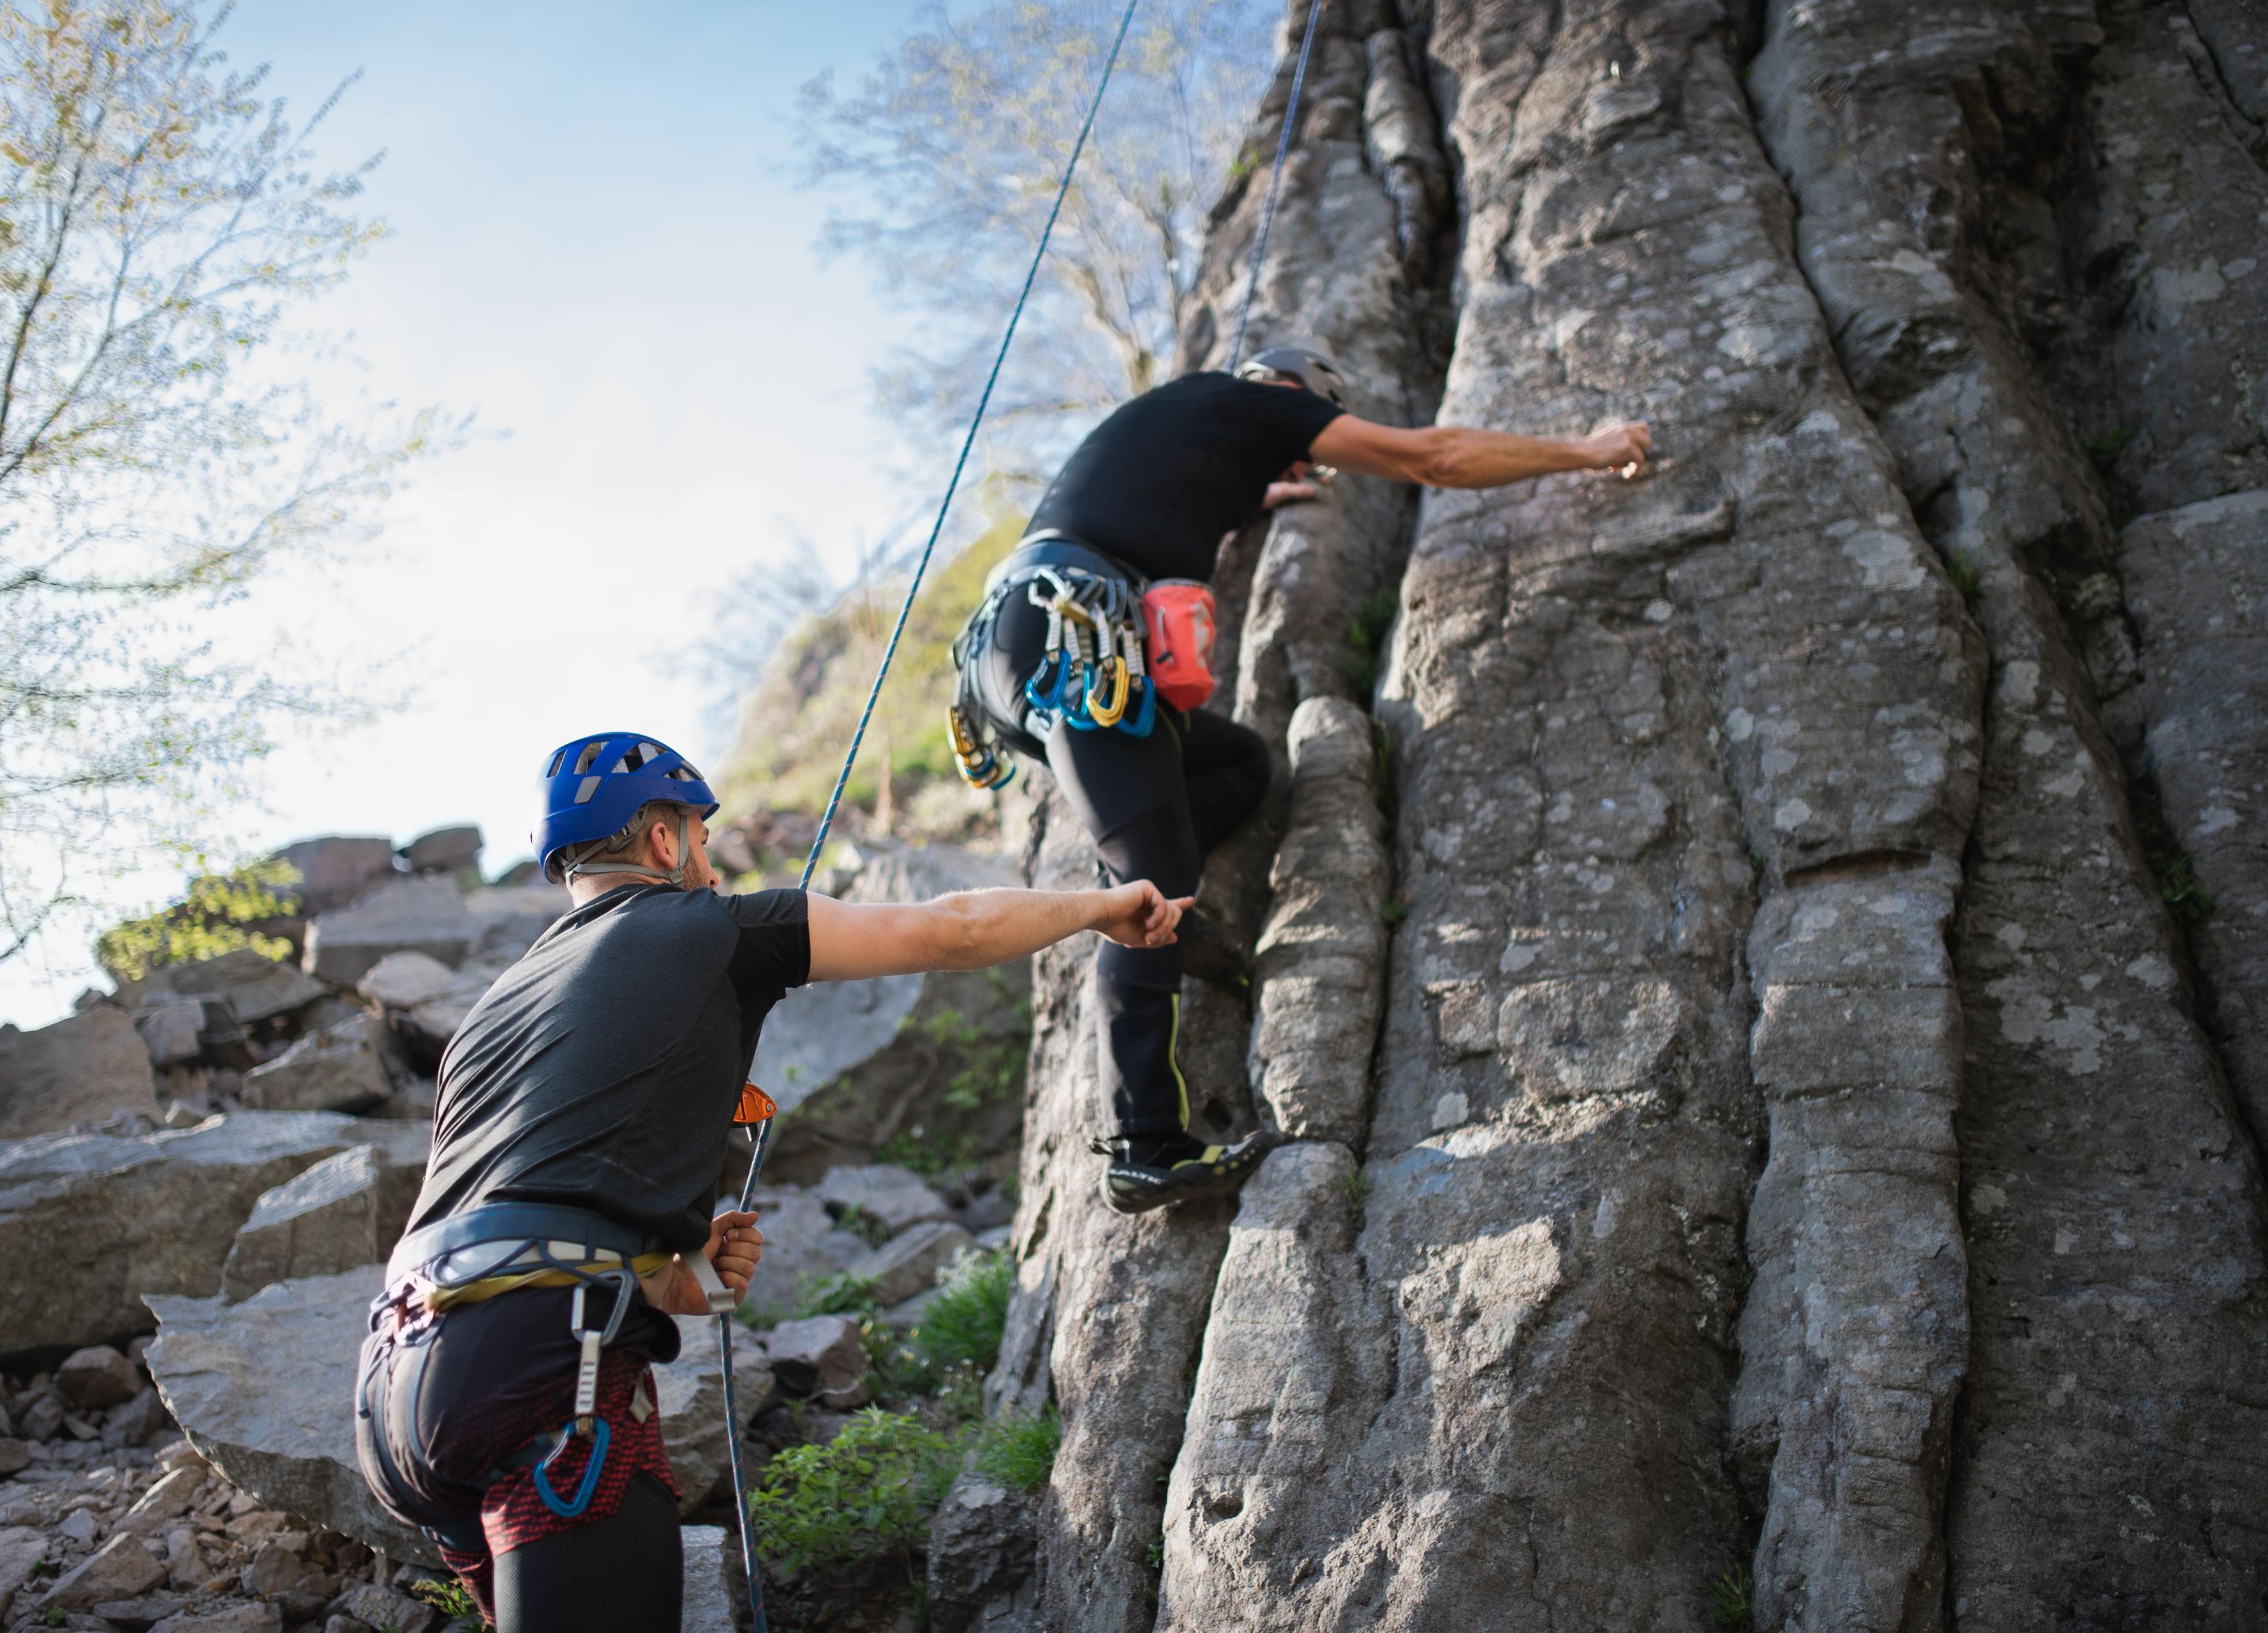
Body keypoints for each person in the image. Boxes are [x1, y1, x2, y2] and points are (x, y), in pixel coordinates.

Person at [354, 732, 1187, 1633]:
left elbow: (497, 1208)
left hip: (398, 1394)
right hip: (538, 1370)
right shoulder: (708, 924)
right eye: (701, 844)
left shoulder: (489, 1014)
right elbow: (954, 931)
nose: (709, 867)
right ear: (665, 842)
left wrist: (666, 1275)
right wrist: (1104, 906)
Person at [953, 346, 1651, 1214]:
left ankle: (1170, 913)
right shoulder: (1257, 405)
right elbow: (1432, 456)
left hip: (1013, 651)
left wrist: (1253, 497)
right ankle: (1144, 1144)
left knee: (1238, 765)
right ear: (1296, 397)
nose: (1301, 462)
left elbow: (1164, 494)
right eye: (1303, 449)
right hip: (1070, 637)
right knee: (1141, 890)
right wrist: (1586, 451)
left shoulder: (1188, 426)